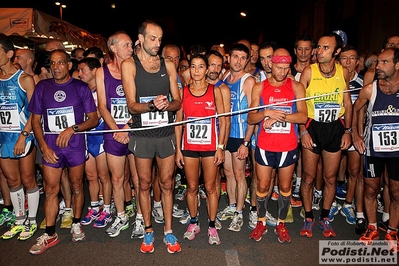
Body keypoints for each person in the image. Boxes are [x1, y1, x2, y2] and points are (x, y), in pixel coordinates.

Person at [28, 49, 98, 254]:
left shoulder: (80, 87)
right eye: (53, 63)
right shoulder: (42, 87)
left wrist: (72, 128)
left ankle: (76, 223)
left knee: (77, 185)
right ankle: (50, 233)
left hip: (75, 144)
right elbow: (35, 121)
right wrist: (43, 146)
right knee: (50, 189)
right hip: (51, 145)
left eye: (61, 63)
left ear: (69, 65)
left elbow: (93, 119)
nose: (56, 67)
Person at [121, 20, 182, 254]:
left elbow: (178, 102)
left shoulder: (168, 64)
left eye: (159, 39)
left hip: (165, 133)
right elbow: (131, 106)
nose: (157, 43)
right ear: (140, 39)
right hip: (142, 134)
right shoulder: (129, 65)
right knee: (144, 184)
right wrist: (152, 106)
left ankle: (168, 230)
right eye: (152, 38)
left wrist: (167, 104)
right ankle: (148, 230)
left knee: (167, 184)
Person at [248, 48, 307, 242]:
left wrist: (280, 116)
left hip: (288, 145)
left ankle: (281, 223)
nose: (282, 72)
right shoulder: (259, 87)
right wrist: (267, 113)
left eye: (286, 68)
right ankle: (261, 221)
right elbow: (251, 117)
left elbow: (303, 116)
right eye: (278, 68)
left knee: (284, 185)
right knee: (263, 185)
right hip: (265, 145)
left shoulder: (296, 86)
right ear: (270, 65)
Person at [299, 32, 352, 238]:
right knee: (309, 177)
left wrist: (348, 131)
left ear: (337, 51)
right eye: (318, 47)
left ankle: (325, 217)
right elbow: (299, 102)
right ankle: (309, 216)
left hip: (334, 128)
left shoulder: (343, 71)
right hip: (312, 127)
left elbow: (347, 103)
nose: (319, 51)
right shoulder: (308, 71)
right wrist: (302, 130)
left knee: (330, 178)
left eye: (325, 48)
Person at [175, 53, 226, 245]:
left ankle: (212, 225)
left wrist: (220, 147)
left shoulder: (215, 91)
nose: (196, 71)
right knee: (192, 187)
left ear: (207, 69)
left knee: (211, 187)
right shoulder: (183, 93)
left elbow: (223, 120)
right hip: (189, 147)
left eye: (200, 67)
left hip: (210, 147)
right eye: (193, 67)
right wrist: (178, 149)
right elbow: (179, 122)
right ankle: (194, 221)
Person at [352, 48, 399, 253]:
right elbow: (356, 108)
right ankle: (372, 227)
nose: (378, 66)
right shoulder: (370, 89)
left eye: (384, 62)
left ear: (397, 65)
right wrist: (355, 134)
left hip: (397, 151)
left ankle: (392, 231)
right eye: (378, 62)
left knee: (396, 192)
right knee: (371, 189)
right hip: (374, 149)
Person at [96, 31, 139, 238]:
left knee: (140, 179)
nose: (131, 49)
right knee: (117, 179)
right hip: (113, 132)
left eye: (132, 45)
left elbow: (140, 103)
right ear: (113, 48)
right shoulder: (101, 72)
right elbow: (102, 106)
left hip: (135, 130)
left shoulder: (137, 70)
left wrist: (127, 127)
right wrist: (117, 130)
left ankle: (141, 217)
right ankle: (121, 215)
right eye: (126, 45)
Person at [0, 37, 39, 241]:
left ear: (8, 54)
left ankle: (31, 221)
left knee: (27, 179)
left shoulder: (24, 79)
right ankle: (19, 219)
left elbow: (34, 111)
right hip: (3, 137)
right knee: (12, 180)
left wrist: (24, 136)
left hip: (23, 136)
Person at [217, 43, 256, 232]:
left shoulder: (248, 81)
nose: (238, 61)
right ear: (228, 58)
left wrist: (246, 142)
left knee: (240, 175)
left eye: (242, 57)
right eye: (235, 57)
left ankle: (240, 213)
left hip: (240, 135)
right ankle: (232, 206)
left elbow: (253, 114)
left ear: (247, 60)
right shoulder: (224, 77)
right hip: (225, 134)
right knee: (229, 173)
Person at [76, 57, 112, 228]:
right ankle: (94, 206)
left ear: (95, 70)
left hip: (101, 137)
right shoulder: (80, 90)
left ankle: (107, 208)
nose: (79, 73)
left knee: (104, 176)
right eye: (78, 70)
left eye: (83, 70)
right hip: (86, 137)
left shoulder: (103, 90)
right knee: (91, 176)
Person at [336, 46, 365, 234]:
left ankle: (348, 203)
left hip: (354, 131)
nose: (348, 62)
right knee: (331, 171)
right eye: (344, 58)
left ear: (357, 61)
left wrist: (356, 131)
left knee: (354, 171)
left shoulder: (364, 83)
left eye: (352, 58)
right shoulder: (335, 80)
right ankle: (329, 204)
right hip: (336, 131)